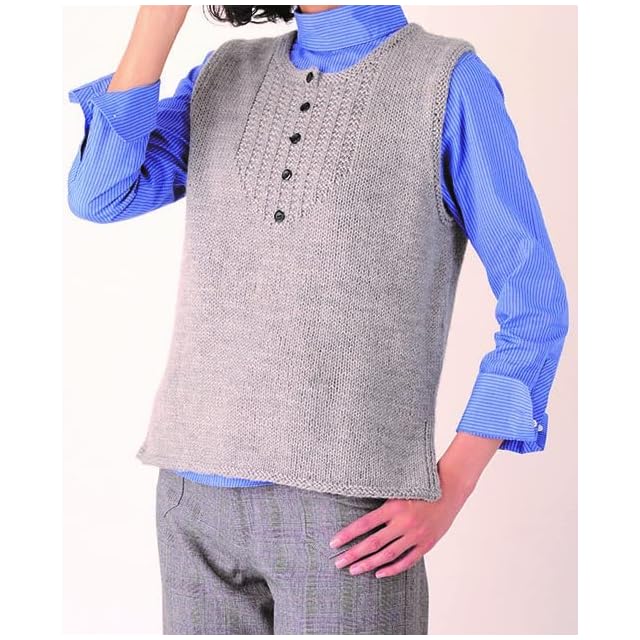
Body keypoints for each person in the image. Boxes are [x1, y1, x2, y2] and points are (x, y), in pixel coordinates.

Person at [67, 4, 569, 635]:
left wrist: (452, 484)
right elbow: (100, 192)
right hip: (191, 500)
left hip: (347, 507)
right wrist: (159, 18)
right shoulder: (225, 72)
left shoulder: (446, 80)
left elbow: (536, 302)